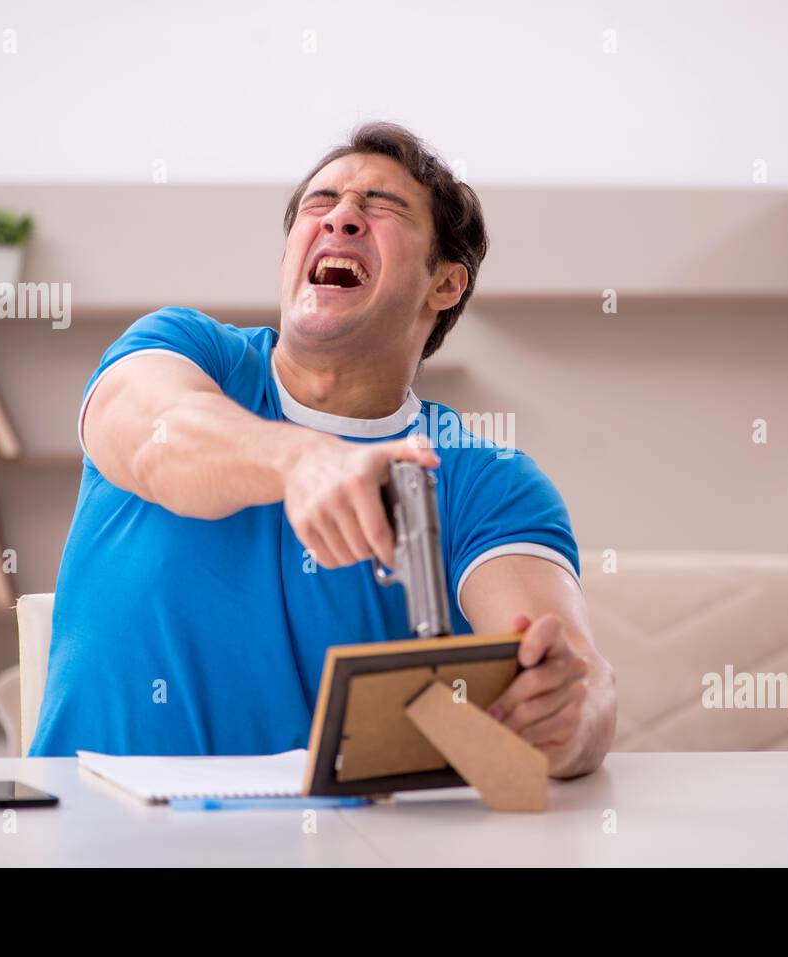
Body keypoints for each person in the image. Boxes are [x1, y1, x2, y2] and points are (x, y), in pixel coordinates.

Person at [30, 122, 616, 777]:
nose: (341, 217)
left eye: (382, 206)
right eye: (320, 202)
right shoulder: (185, 351)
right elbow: (155, 441)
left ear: (446, 284)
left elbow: (579, 680)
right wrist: (304, 461)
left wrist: (566, 716)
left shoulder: (487, 481)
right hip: (89, 833)